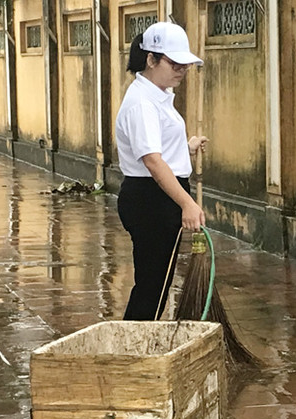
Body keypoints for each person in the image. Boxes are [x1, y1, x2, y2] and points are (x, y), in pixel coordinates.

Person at [116, 22, 209, 321]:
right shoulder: (143, 103)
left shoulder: (157, 95)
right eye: (174, 62)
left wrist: (186, 147)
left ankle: (140, 345)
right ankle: (131, 351)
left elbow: (157, 149)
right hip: (150, 200)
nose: (181, 69)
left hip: (157, 196)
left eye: (185, 64)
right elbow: (153, 161)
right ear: (151, 59)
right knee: (151, 287)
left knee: (157, 283)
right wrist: (187, 203)